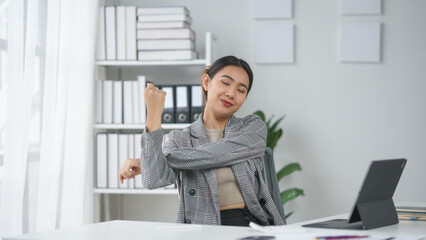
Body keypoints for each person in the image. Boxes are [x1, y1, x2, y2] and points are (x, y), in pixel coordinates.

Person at [118, 55, 284, 226]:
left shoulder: (252, 128)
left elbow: (214, 155)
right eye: (225, 83)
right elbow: (153, 180)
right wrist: (153, 115)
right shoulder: (180, 138)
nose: (231, 93)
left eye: (241, 90)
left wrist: (162, 159)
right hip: (202, 228)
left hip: (250, 224)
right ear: (206, 82)